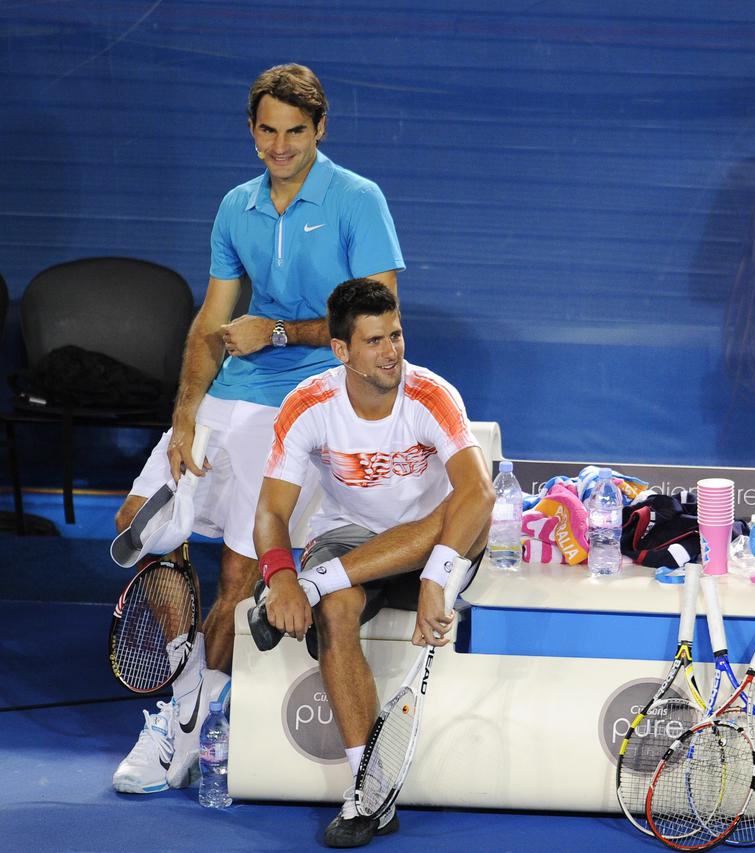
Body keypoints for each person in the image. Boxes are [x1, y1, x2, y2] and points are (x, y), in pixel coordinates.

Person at [111, 64, 405, 795]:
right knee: (140, 527)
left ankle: (188, 726)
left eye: (296, 132)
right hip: (229, 397)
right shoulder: (235, 206)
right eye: (267, 131)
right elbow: (212, 322)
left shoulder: (358, 200)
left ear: (321, 129)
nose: (280, 146)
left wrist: (274, 331)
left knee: (239, 577)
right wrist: (185, 412)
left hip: (306, 401)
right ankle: (190, 693)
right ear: (251, 129)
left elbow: (376, 322)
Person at [254, 278, 493, 847]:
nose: (392, 352)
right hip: (350, 537)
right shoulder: (308, 405)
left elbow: (479, 493)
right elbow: (270, 510)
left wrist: (437, 576)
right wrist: (280, 577)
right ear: (341, 350)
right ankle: (370, 792)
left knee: (464, 506)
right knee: (336, 611)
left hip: (437, 542)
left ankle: (318, 582)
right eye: (375, 341)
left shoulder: (431, 395)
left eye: (397, 335)